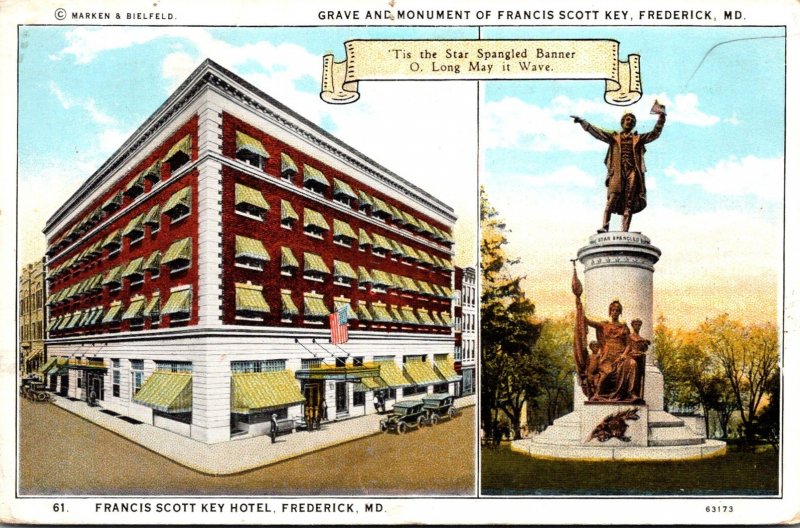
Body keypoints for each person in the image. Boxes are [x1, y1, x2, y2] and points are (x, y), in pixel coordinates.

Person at [571, 103, 666, 233]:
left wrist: (661, 118)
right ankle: (605, 226)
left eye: (633, 121)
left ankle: (625, 231)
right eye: (628, 119)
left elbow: (655, 133)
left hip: (632, 171)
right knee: (612, 199)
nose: (630, 122)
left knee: (629, 202)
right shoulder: (614, 137)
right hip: (617, 172)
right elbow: (597, 132)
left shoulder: (638, 138)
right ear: (622, 122)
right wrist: (583, 122)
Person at [585, 300, 642, 402]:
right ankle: (597, 394)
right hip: (608, 356)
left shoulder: (624, 327)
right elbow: (588, 322)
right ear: (610, 312)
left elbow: (628, 344)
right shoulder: (604, 325)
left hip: (620, 355)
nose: (615, 312)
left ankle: (631, 393)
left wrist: (624, 354)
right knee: (607, 372)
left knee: (632, 363)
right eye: (613, 310)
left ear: (620, 312)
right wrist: (579, 305)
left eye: (617, 310)